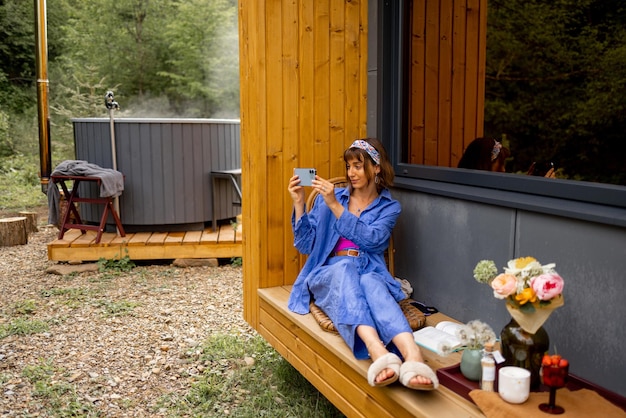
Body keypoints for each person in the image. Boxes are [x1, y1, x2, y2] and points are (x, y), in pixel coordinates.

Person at [286, 138, 439, 391]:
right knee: (346, 268)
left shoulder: (389, 207)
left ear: (376, 167)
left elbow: (374, 241)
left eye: (358, 166)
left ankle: (413, 356)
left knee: (369, 281)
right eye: (348, 166)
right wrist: (299, 203)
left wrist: (335, 205)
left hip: (369, 269)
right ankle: (377, 351)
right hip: (330, 273)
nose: (351, 173)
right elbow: (305, 246)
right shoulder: (330, 199)